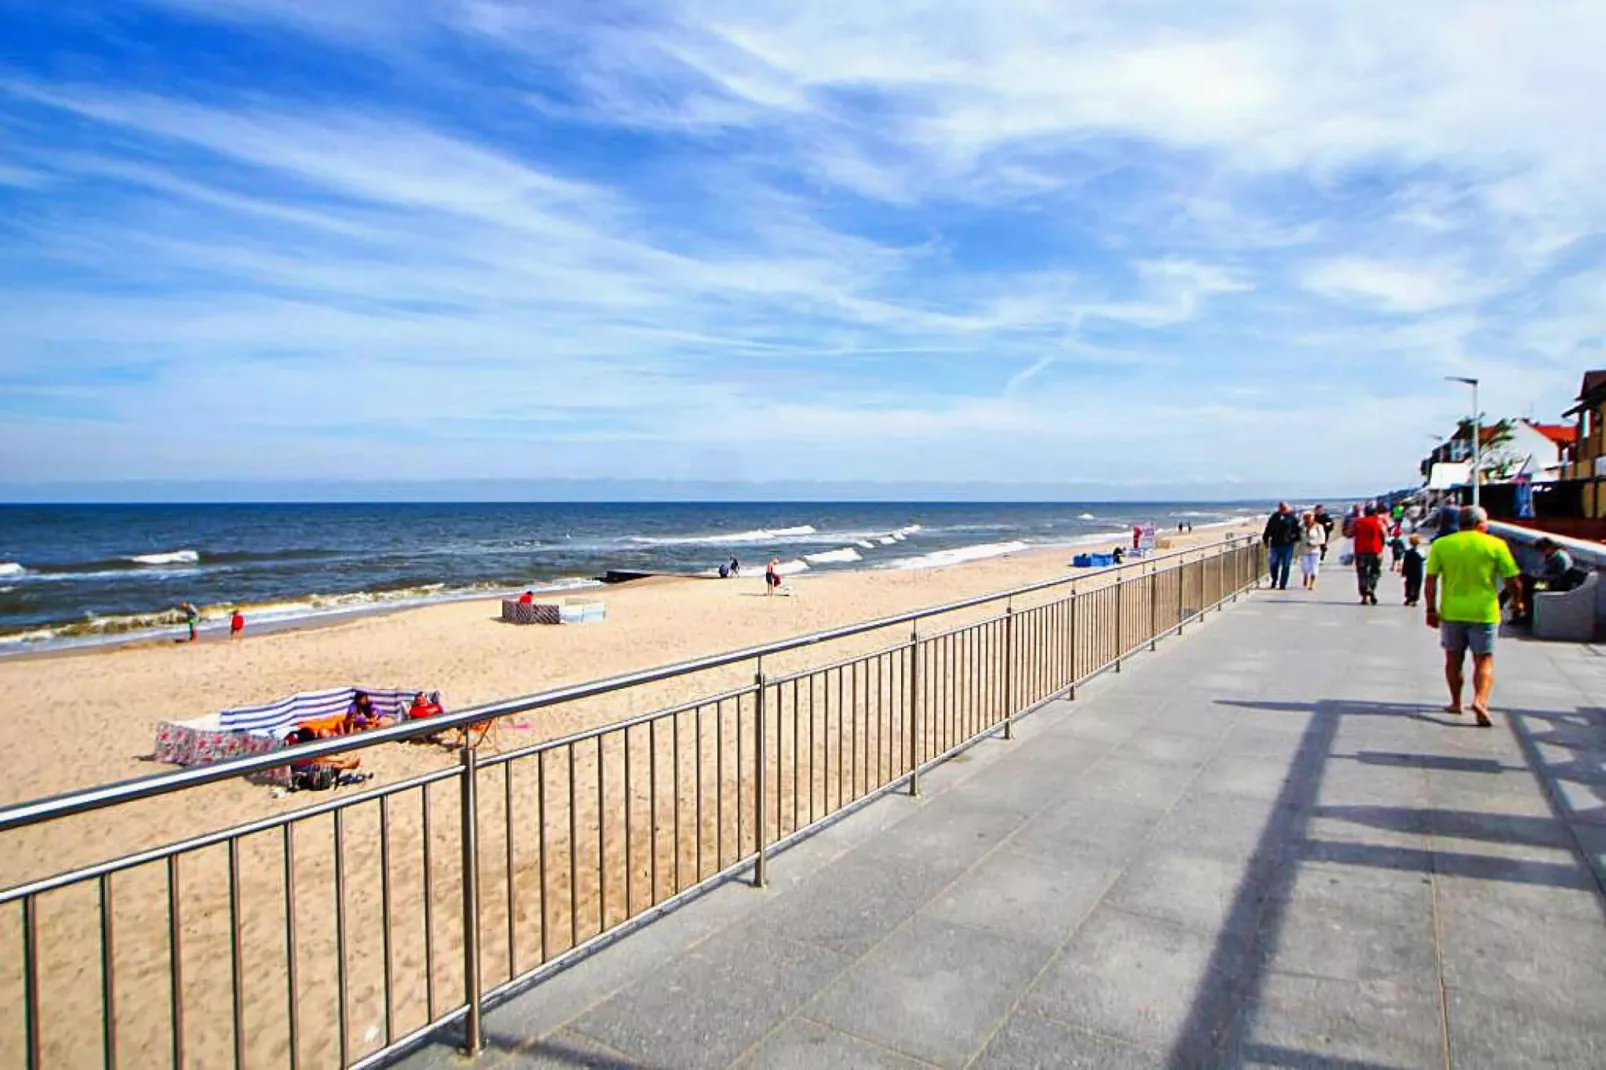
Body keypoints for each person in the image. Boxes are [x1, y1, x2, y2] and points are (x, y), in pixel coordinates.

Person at [1425, 506, 1523, 727]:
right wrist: (1517, 602)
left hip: (1452, 611)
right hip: (1485, 611)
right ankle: (1480, 701)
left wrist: (1431, 609)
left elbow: (1430, 580)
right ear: (1481, 523)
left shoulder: (1442, 545)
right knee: (1484, 659)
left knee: (1453, 659)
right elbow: (1513, 579)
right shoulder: (1496, 545)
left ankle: (1456, 702)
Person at [1351, 504, 1390, 604]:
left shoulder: (1358, 522)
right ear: (1375, 513)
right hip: (1375, 550)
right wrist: (1381, 546)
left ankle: (1365, 595)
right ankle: (1371, 589)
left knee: (1362, 573)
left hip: (1360, 550)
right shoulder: (1379, 522)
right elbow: (1383, 535)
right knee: (1375, 572)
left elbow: (1349, 533)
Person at [1261, 502, 1302, 590]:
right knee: (1273, 564)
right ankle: (1274, 579)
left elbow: (1298, 531)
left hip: (1288, 545)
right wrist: (1265, 539)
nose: (1282, 508)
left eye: (1284, 507)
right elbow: (1268, 528)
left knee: (1286, 565)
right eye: (1281, 507)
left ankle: (1283, 584)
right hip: (1275, 545)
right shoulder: (1274, 517)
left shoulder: (1292, 517)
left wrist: (1293, 539)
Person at [1298, 511, 1326, 589]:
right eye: (1305, 517)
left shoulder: (1318, 526)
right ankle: (1305, 576)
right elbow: (1298, 536)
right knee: (1305, 567)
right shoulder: (1301, 526)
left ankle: (1311, 584)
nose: (1307, 519)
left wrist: (1313, 543)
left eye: (1309, 517)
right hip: (1304, 550)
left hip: (1315, 550)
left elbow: (1322, 539)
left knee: (1314, 568)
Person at [1402, 534, 1426, 606]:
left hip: (1409, 571)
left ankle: (1408, 597)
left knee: (1408, 584)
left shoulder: (1407, 552)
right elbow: (1423, 560)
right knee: (1417, 585)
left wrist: (1403, 571)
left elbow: (1405, 562)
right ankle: (1414, 598)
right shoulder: (1421, 551)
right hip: (1418, 571)